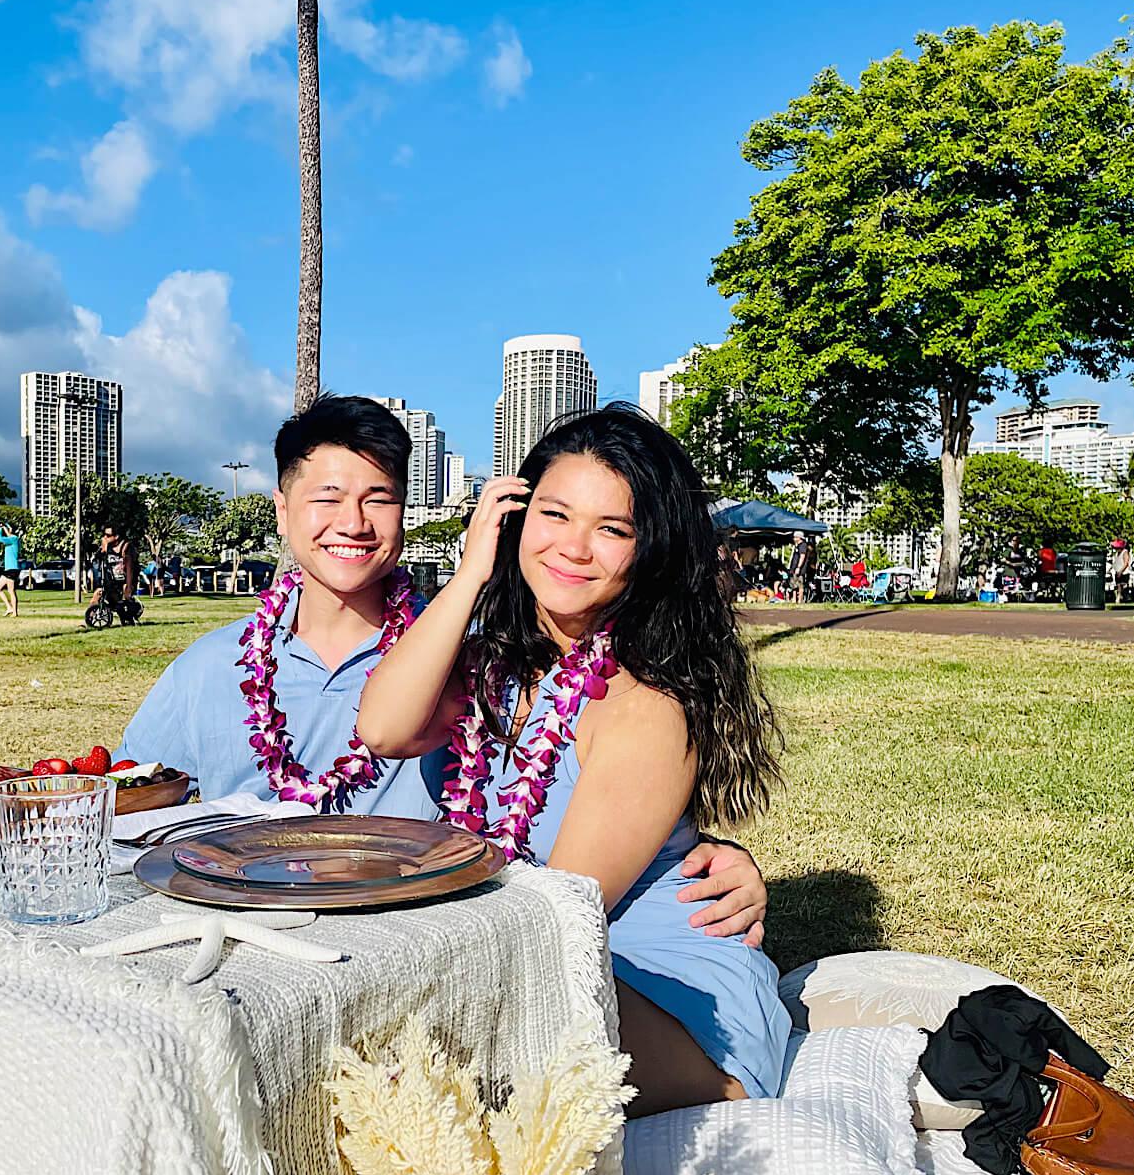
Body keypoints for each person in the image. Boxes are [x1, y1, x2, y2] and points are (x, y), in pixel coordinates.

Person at [120, 393, 769, 942]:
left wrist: (711, 852)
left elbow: (565, 897)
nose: (352, 522)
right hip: (305, 936)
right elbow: (125, 809)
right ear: (282, 511)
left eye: (378, 498)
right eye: (327, 498)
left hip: (522, 949)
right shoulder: (209, 669)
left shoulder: (473, 650)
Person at [358, 404, 791, 1115]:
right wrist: (472, 575)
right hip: (533, 962)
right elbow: (382, 727)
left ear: (649, 550)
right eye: (554, 515)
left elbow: (557, 918)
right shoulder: (492, 669)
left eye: (612, 529)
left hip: (666, 1007)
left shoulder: (645, 706)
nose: (575, 548)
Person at [0, 524, 22, 618]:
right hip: (8, 569)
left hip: (12, 569)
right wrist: (4, 527)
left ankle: (15, 612)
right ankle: (9, 607)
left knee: (11, 591)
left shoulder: (14, 538)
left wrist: (1, 528)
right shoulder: (11, 540)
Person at [787, 533, 813, 604]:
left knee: (800, 585)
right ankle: (794, 599)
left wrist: (798, 567)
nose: (794, 539)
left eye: (795, 537)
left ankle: (800, 600)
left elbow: (802, 556)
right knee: (793, 585)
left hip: (799, 570)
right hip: (793, 569)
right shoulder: (797, 546)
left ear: (799, 538)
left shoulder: (803, 545)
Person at [1110, 538, 1134, 604]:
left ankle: (1125, 598)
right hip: (1117, 571)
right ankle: (1118, 598)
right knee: (1118, 586)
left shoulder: (1125, 552)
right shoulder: (1116, 553)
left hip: (1124, 572)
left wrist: (1121, 571)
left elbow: (1126, 563)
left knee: (1124, 586)